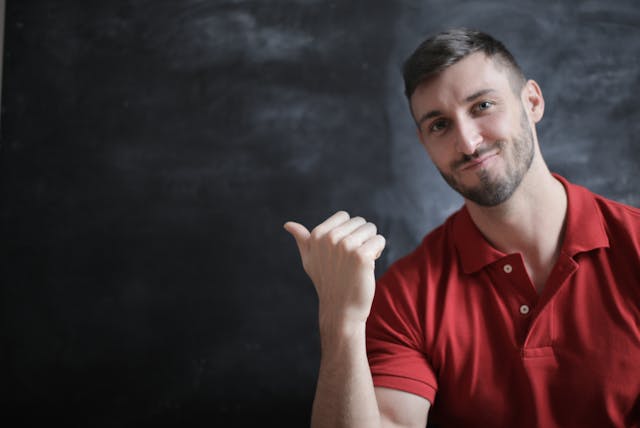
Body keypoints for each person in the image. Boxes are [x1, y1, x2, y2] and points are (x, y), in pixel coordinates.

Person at [284, 28, 640, 428]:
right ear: (423, 141)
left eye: (483, 105)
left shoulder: (635, 246)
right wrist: (341, 323)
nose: (468, 143)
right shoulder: (407, 295)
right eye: (439, 125)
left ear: (532, 101)